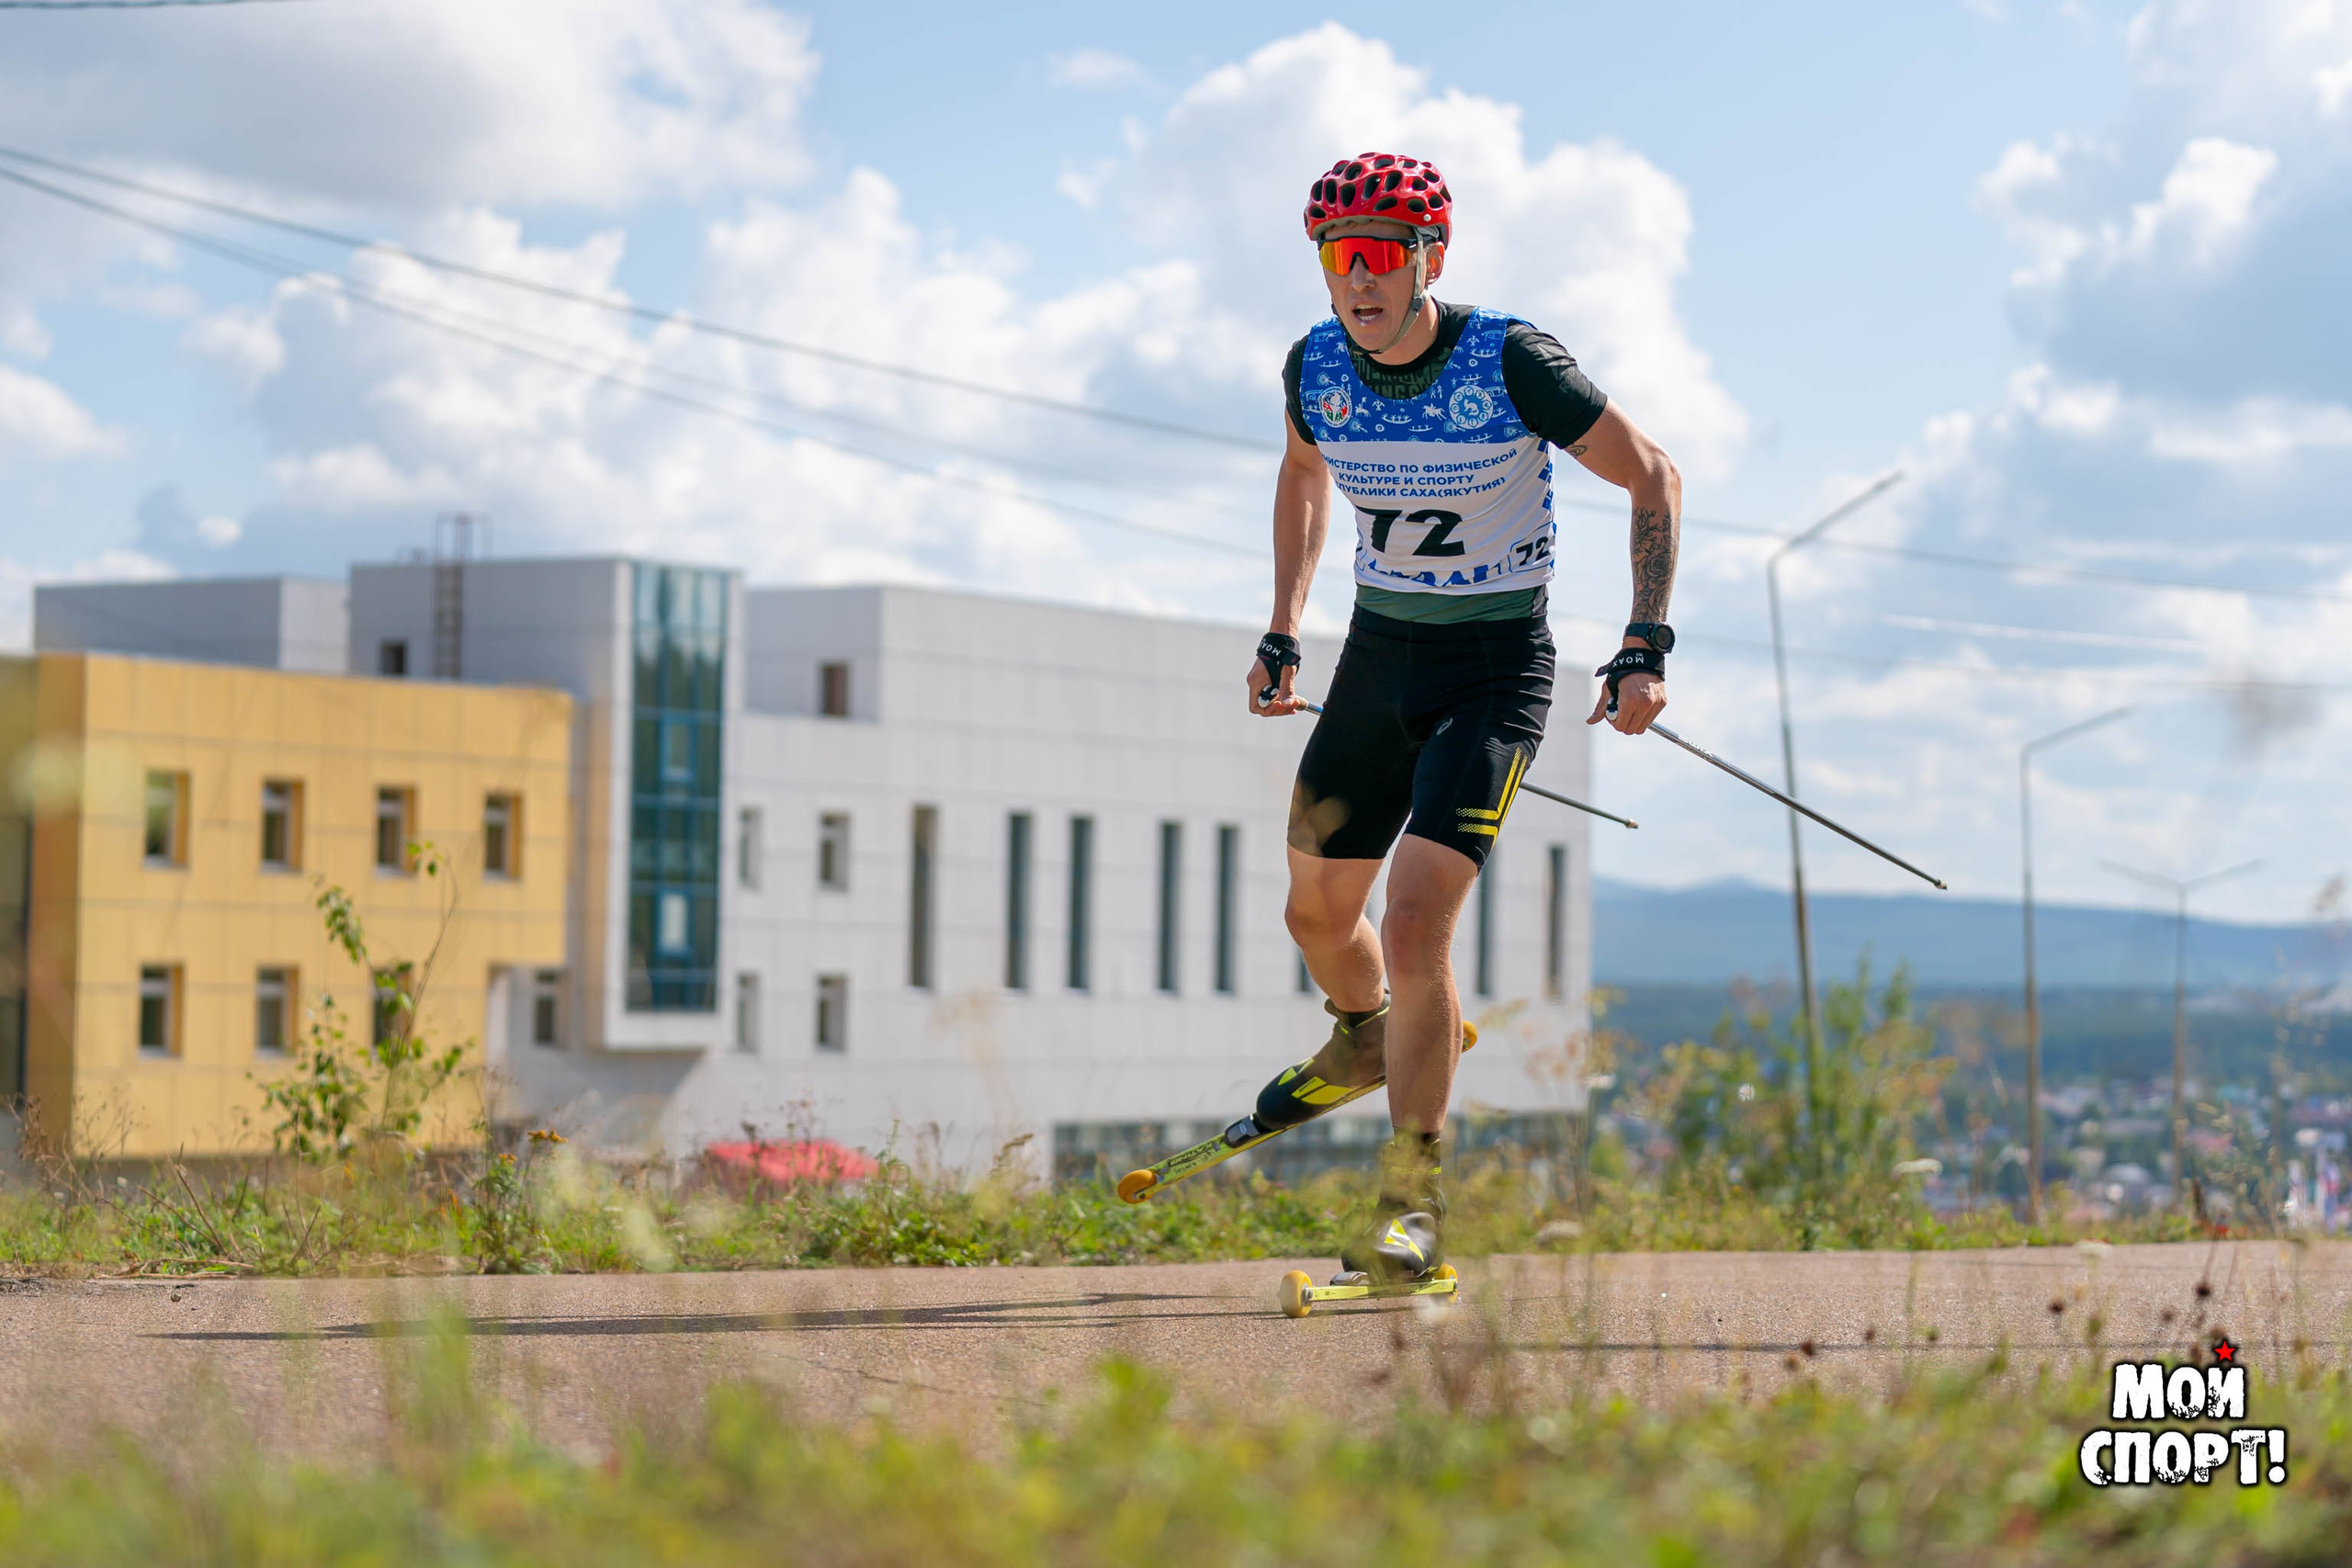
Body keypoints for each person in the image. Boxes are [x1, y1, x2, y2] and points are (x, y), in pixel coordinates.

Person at [1247, 152, 1682, 1283]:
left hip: (1494, 670)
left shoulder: (1511, 361)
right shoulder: (1315, 366)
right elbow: (1301, 474)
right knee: (1314, 920)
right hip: (1378, 661)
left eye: (1384, 254)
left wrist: (1643, 642)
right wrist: (1283, 625)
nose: (1359, 278)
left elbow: (1652, 478)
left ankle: (1411, 1206)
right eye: (1340, 257)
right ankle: (1362, 1036)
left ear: (1430, 258)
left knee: (1414, 921)